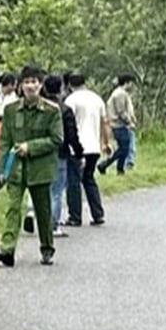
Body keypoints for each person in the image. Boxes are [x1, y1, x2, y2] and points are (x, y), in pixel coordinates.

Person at [0, 65, 64, 267]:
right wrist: (1, 170)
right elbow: (4, 141)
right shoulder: (11, 111)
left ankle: (47, 248)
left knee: (43, 211)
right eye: (27, 82)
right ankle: (7, 250)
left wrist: (30, 147)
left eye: (34, 82)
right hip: (15, 170)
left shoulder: (51, 111)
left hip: (40, 169)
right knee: (13, 208)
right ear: (20, 86)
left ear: (40, 85)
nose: (31, 86)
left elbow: (56, 139)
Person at [64, 73, 109, 226]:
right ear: (85, 82)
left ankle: (75, 216)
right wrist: (105, 142)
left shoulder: (71, 100)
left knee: (74, 182)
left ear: (70, 85)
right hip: (94, 146)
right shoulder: (97, 98)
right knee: (89, 179)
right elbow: (104, 122)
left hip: (77, 147)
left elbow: (68, 123)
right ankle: (98, 214)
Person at [43, 75, 83, 236]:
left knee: (42, 189)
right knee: (57, 191)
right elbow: (72, 134)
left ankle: (38, 218)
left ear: (44, 88)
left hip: (41, 153)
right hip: (60, 153)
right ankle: (53, 226)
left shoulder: (40, 107)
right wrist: (79, 152)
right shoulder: (65, 109)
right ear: (60, 88)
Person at [99, 74, 136, 175]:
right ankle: (105, 164)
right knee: (123, 148)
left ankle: (119, 169)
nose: (132, 85)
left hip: (118, 124)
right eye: (131, 83)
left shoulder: (120, 93)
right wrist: (129, 122)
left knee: (124, 148)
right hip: (118, 124)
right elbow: (121, 111)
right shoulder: (120, 94)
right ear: (127, 83)